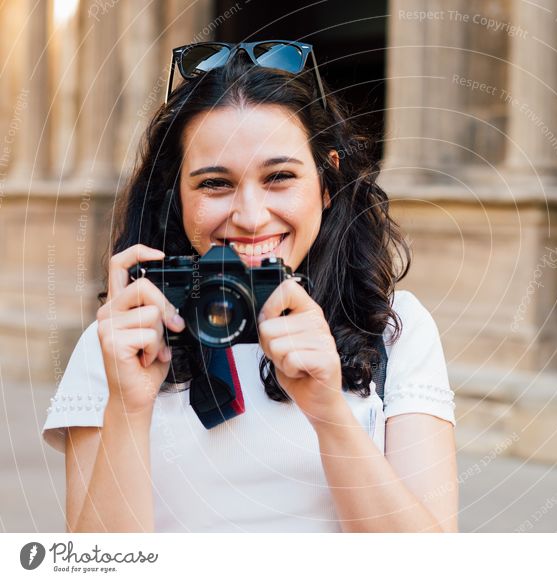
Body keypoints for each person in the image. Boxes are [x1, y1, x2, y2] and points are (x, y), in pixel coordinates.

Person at [41, 41, 457, 532]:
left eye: (280, 176)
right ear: (176, 195)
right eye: (215, 183)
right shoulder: (120, 340)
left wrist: (328, 412)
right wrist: (129, 408)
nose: (251, 216)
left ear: (327, 181)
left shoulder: (391, 330)